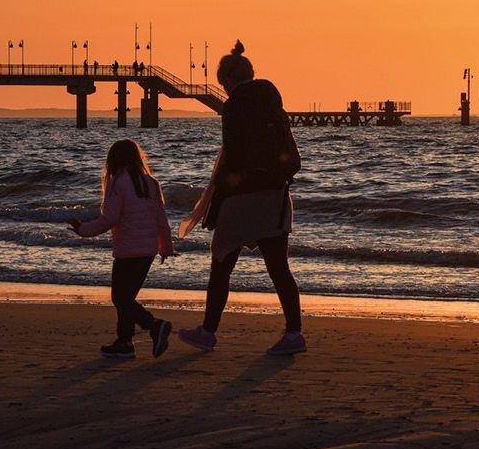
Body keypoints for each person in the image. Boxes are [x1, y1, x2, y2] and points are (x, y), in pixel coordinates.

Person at [177, 41, 304, 356]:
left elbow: (232, 154)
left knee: (221, 264)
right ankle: (294, 333)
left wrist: (216, 199)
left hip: (244, 199)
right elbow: (292, 155)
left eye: (224, 84)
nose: (225, 90)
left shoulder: (235, 106)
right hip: (276, 195)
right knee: (279, 268)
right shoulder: (274, 103)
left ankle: (208, 331)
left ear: (229, 80)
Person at [69, 139, 176, 358]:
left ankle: (154, 325)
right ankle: (124, 342)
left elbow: (110, 218)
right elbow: (161, 218)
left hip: (127, 250)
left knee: (121, 298)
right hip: (147, 251)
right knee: (125, 298)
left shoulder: (118, 183)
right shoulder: (151, 182)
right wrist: (165, 246)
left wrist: (83, 230)